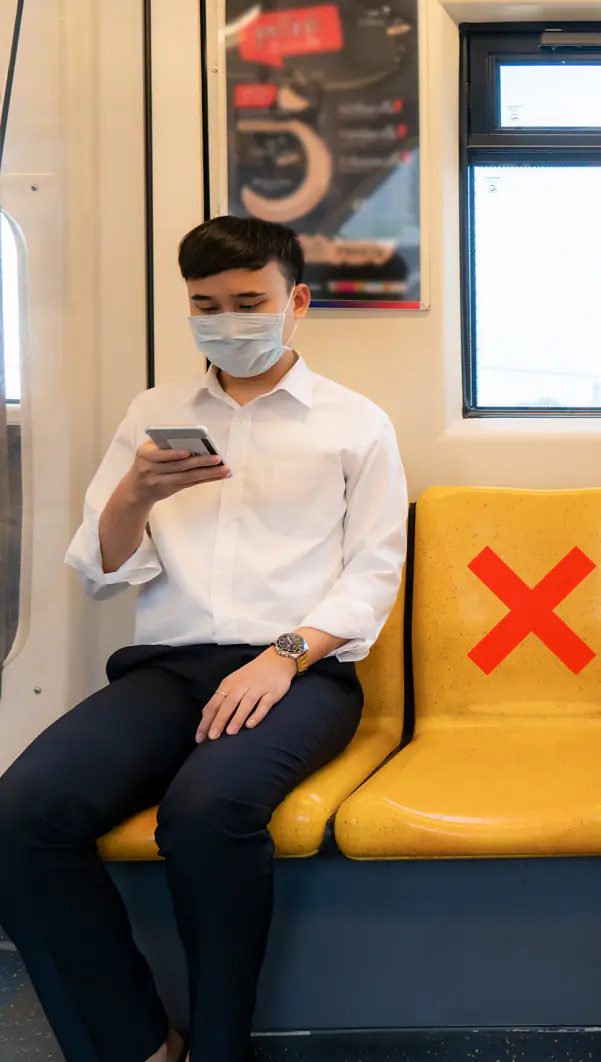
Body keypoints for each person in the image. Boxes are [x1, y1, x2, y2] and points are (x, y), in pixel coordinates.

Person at [0, 216, 408, 1062]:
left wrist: (285, 655)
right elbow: (101, 572)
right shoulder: (153, 414)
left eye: (250, 302)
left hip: (303, 672)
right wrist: (134, 496)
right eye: (206, 305)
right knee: (18, 816)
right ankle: (141, 1043)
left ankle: (221, 1046)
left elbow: (373, 573)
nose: (228, 321)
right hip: (165, 670)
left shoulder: (355, 423)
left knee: (206, 810)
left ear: (297, 302)